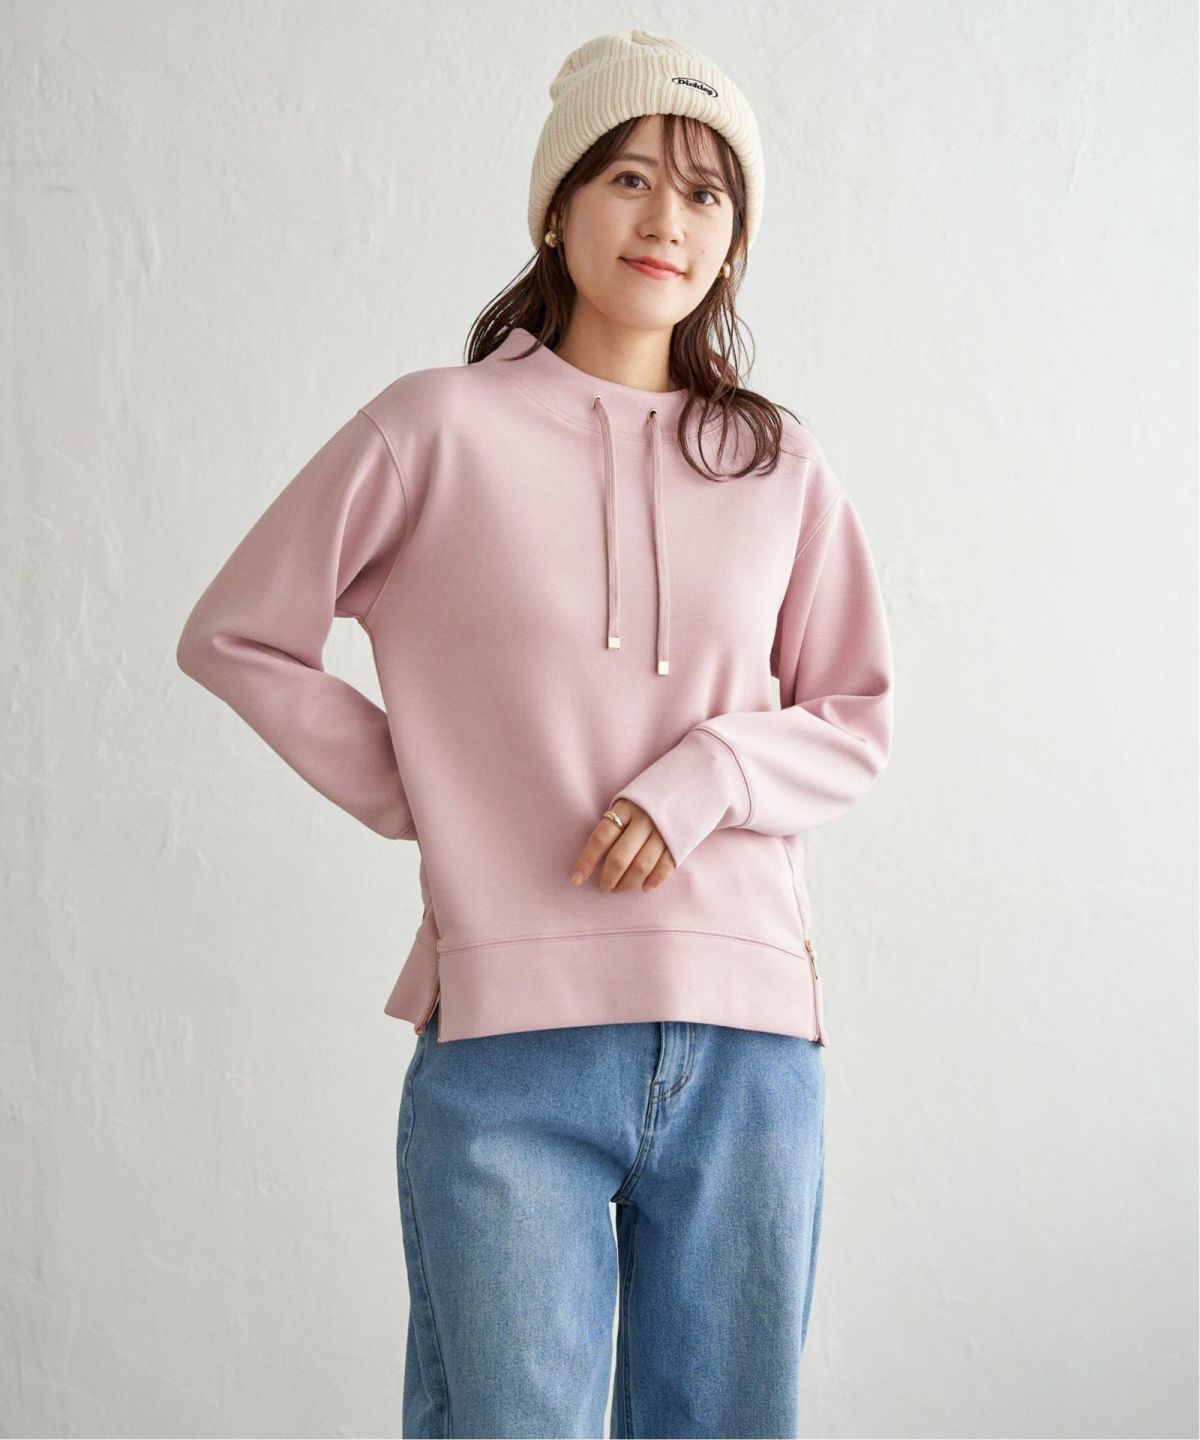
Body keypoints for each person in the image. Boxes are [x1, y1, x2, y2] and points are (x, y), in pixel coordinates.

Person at [176, 28, 894, 1440]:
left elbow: (856, 716)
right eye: (629, 177)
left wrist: (713, 771)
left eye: (705, 193)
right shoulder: (432, 430)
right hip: (512, 1039)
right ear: (557, 207)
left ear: (734, 240)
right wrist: (430, 790)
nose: (666, 219)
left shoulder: (780, 464)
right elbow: (237, 635)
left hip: (747, 1044)